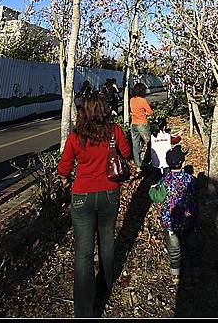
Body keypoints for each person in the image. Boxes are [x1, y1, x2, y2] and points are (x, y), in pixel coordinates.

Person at [58, 94, 131, 318]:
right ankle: (105, 283)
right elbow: (126, 154)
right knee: (107, 239)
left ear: (82, 113)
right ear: (105, 110)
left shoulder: (75, 136)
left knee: (83, 252)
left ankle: (83, 310)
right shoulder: (114, 131)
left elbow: (63, 168)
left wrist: (66, 179)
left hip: (82, 196)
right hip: (109, 192)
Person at [154, 144, 200, 285]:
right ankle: (196, 272)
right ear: (183, 162)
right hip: (188, 219)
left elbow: (158, 198)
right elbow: (195, 195)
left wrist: (153, 190)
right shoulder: (190, 179)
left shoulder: (164, 181)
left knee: (174, 250)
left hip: (170, 222)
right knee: (192, 246)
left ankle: (176, 274)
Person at [129, 82, 153, 173]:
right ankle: (150, 162)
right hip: (142, 124)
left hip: (133, 124)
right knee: (150, 144)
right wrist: (145, 113)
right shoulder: (143, 100)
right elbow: (150, 112)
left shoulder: (131, 100)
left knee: (135, 146)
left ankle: (138, 165)